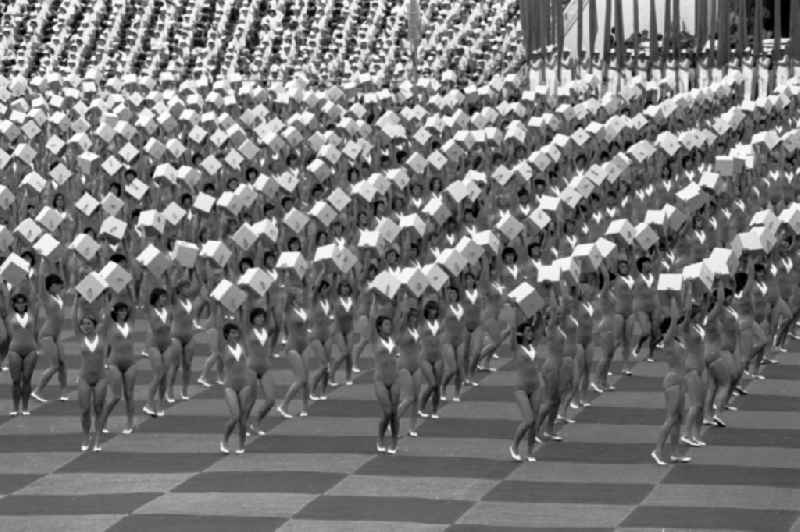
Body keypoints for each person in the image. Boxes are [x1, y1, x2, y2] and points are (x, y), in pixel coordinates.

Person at [652, 296, 691, 465]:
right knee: (670, 418)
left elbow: (684, 317)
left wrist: (687, 293)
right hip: (673, 381)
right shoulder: (667, 341)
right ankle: (657, 450)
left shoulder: (677, 340)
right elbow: (675, 320)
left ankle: (675, 452)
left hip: (681, 381)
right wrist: (673, 297)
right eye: (672, 327)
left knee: (678, 419)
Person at [102, 301, 140, 433]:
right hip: (114, 362)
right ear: (116, 312)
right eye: (121, 310)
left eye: (125, 310)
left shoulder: (130, 323)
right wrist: (105, 296)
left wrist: (129, 288)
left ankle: (129, 424)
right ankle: (103, 421)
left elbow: (134, 306)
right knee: (116, 396)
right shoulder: (110, 325)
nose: (123, 313)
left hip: (130, 362)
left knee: (129, 395)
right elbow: (106, 310)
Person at [219, 322, 255, 454]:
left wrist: (241, 309)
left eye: (236, 332)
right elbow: (218, 326)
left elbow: (245, 326)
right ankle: (224, 441)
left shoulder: (243, 345)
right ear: (227, 335)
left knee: (243, 418)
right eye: (232, 333)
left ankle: (241, 445)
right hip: (230, 385)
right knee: (235, 416)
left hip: (245, 384)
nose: (236, 335)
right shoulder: (223, 347)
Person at [31, 274, 68, 402]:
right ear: (51, 286)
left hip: (56, 335)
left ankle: (63, 393)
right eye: (57, 284)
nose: (60, 286)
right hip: (47, 335)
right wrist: (43, 262)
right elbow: (41, 282)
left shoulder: (58, 297)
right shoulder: (46, 297)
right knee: (54, 365)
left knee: (62, 364)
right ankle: (37, 391)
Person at [74, 312, 107, 451]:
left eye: (88, 324)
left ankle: (98, 439)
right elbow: (73, 318)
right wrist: (76, 300)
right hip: (84, 378)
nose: (85, 326)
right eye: (83, 324)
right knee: (85, 410)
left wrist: (105, 299)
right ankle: (86, 437)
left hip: (101, 378)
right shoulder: (79, 337)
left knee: (99, 409)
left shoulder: (102, 337)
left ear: (95, 325)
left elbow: (107, 319)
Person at [510, 321, 542, 462]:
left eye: (531, 331)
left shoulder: (533, 346)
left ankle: (530, 452)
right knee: (528, 420)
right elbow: (512, 331)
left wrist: (540, 313)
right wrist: (516, 311)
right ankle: (514, 446)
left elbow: (541, 328)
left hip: (536, 386)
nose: (531, 333)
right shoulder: (516, 348)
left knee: (534, 422)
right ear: (522, 333)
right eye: (528, 331)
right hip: (520, 387)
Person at [245, 307, 277, 435]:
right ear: (252, 319)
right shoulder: (247, 330)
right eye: (258, 316)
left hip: (265, 367)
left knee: (271, 400)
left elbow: (274, 327)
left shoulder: (266, 331)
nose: (261, 318)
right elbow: (241, 317)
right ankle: (244, 425)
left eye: (263, 316)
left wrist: (271, 309)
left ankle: (256, 422)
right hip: (251, 367)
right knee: (251, 400)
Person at [372, 315, 400, 454]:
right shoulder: (375, 340)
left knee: (394, 413)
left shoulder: (393, 340)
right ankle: (380, 438)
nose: (389, 327)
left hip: (394, 379)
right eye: (386, 324)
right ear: (379, 327)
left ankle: (395, 442)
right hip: (380, 380)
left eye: (390, 324)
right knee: (387, 411)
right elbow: (372, 316)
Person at [7, 293, 38, 416]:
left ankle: (25, 407)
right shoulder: (10, 315)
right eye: (17, 302)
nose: (20, 304)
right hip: (14, 350)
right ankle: (15, 407)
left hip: (31, 350)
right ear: (14, 304)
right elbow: (5, 300)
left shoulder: (32, 314)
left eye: (22, 302)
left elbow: (36, 295)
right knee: (15, 380)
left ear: (26, 303)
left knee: (27, 378)